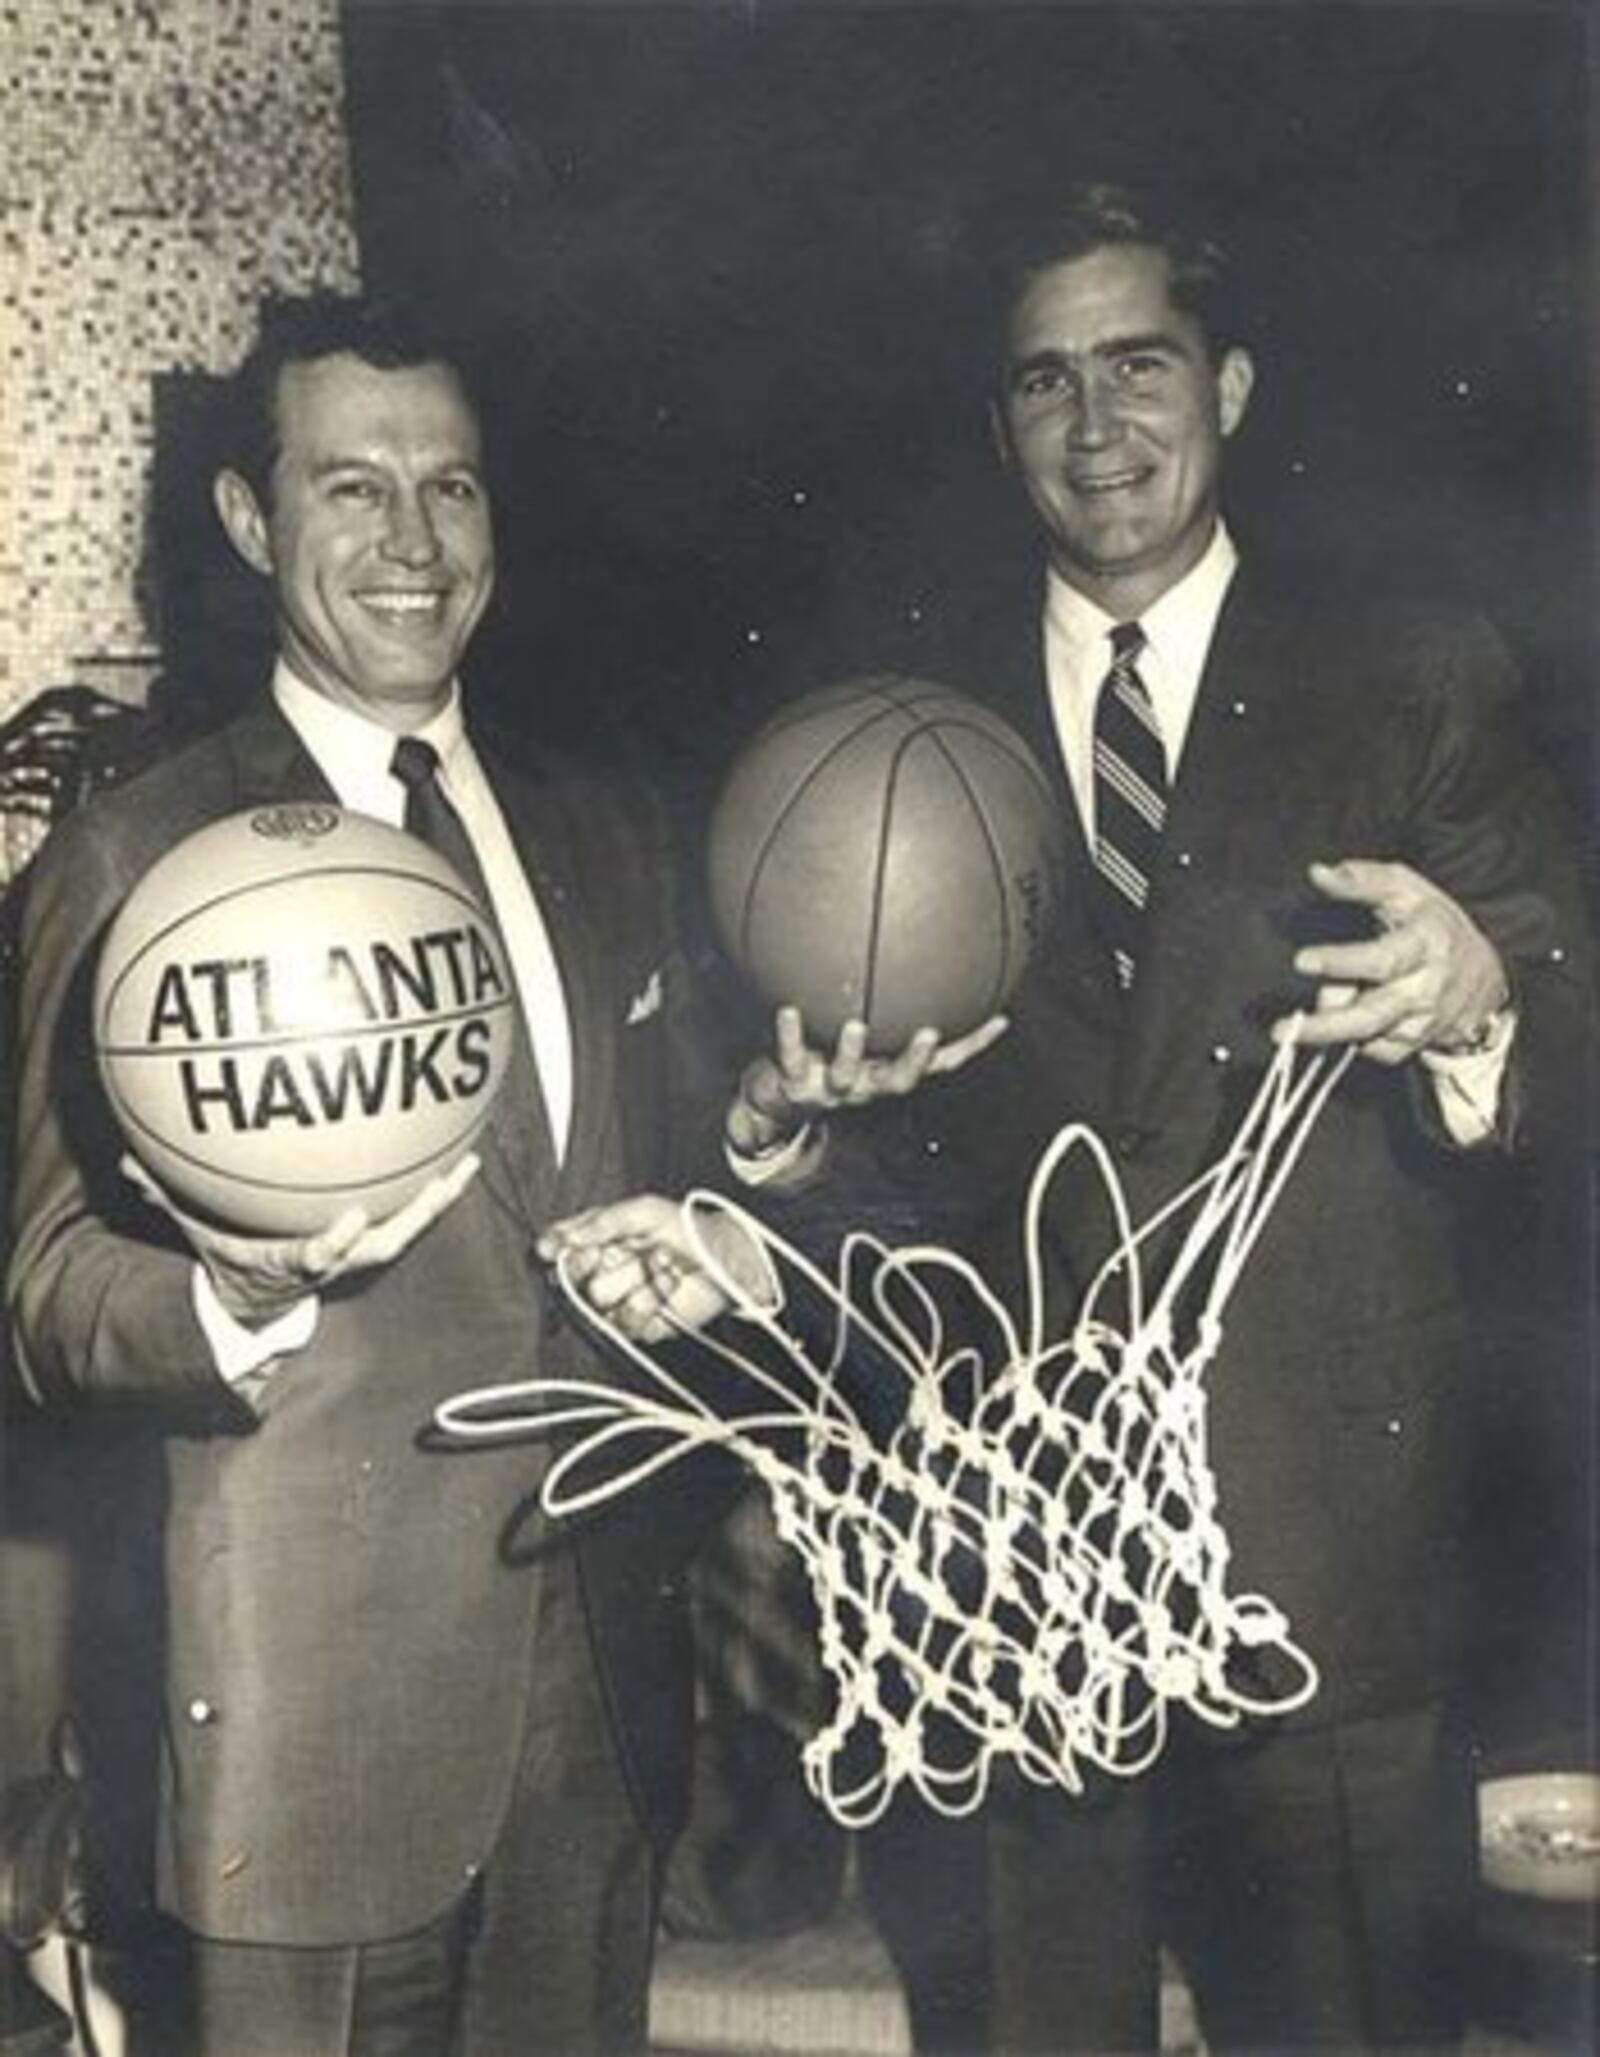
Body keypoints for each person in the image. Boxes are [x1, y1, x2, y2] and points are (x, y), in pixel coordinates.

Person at [555, 182, 1595, 2051]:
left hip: (1327, 1532)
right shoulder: (886, 728)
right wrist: (786, 1121)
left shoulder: (1418, 671)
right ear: (1000, 427)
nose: (1098, 425)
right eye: (1047, 383)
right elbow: (813, 1120)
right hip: (996, 1545)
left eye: (1141, 366)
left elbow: (1564, 1043)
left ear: (1235, 385)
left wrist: (1479, 997)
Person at [5, 290, 761, 2057]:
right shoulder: (137, 854)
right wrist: (232, 1293)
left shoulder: (600, 821)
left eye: (455, 487)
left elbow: (647, 1159)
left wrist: (752, 1165)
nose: (416, 543)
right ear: (254, 525)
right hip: (304, 1730)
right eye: (354, 489)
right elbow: (41, 1291)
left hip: (597, 1698)